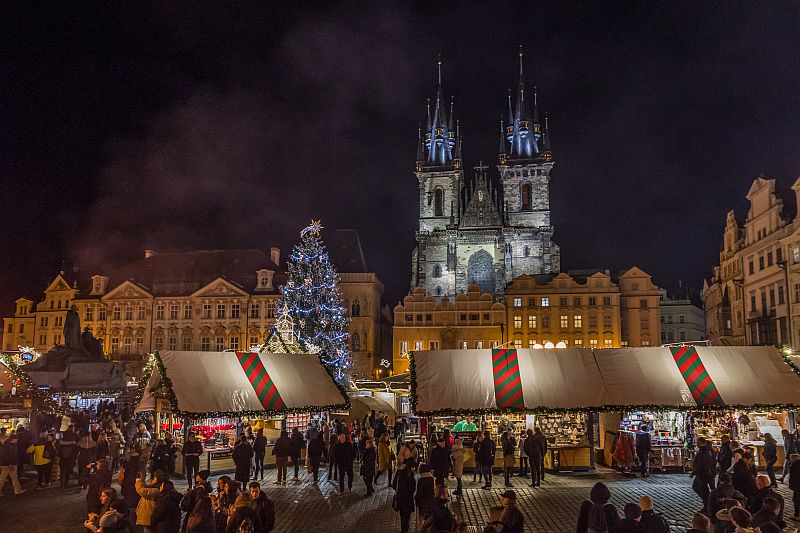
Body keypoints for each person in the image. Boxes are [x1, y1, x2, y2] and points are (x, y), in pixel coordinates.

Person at [691, 437, 716, 510]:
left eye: (697, 442)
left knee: (702, 488)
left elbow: (701, 464)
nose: (696, 443)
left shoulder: (704, 452)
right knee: (703, 488)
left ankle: (708, 503)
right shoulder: (707, 450)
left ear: (701, 443)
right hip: (706, 472)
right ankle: (707, 503)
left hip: (704, 473)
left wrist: (694, 472)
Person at [394, 459, 417, 533]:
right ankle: (404, 530)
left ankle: (403, 529)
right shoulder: (410, 475)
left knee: (402, 515)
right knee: (406, 517)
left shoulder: (399, 472)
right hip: (408, 499)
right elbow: (412, 488)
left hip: (400, 497)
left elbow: (394, 484)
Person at [0, 431, 25, 495]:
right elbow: (5, 456)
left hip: (10, 464)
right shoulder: (7, 446)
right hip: (8, 465)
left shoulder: (10, 445)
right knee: (3, 479)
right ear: (13, 439)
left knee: (14, 478)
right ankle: (18, 490)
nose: (17, 440)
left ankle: (18, 490)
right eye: (16, 439)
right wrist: (10, 464)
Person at [789, 453, 800, 517]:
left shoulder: (794, 465)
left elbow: (793, 477)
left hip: (797, 485)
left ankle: (796, 514)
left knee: (795, 499)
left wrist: (792, 485)